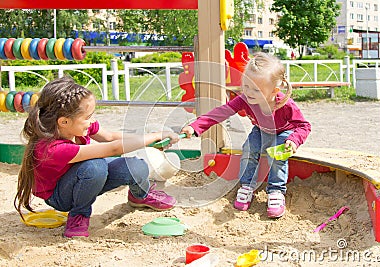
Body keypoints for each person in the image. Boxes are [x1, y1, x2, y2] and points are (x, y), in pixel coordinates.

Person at [14, 76, 180, 238]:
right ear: (64, 122)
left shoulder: (77, 126)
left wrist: (149, 139)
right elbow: (113, 148)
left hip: (85, 178)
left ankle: (140, 195)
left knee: (137, 166)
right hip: (61, 196)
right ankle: (79, 214)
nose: (92, 121)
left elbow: (110, 137)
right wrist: (155, 136)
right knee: (95, 166)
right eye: (87, 117)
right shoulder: (51, 149)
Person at [181, 53, 311, 218]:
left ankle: (276, 191)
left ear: (274, 91)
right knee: (249, 149)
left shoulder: (285, 105)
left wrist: (294, 140)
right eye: (246, 86)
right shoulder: (245, 99)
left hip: (284, 132)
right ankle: (247, 186)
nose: (248, 92)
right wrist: (195, 127)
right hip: (261, 130)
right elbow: (221, 112)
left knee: (278, 156)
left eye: (256, 90)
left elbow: (304, 125)